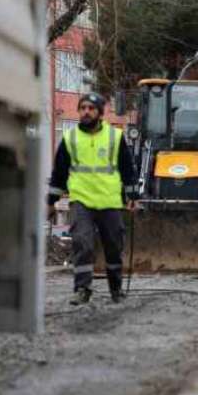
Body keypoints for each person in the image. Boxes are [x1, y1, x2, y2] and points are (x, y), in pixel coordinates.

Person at [47, 92, 138, 305]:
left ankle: (115, 288)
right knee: (82, 243)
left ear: (100, 112)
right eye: (83, 108)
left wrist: (133, 196)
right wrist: (50, 201)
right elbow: (59, 173)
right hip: (81, 201)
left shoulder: (115, 137)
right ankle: (82, 288)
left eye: (91, 108)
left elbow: (127, 168)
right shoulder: (70, 138)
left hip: (110, 201)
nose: (86, 112)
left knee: (114, 247)